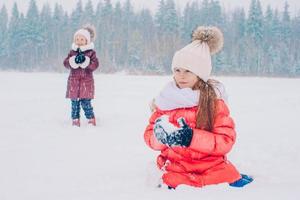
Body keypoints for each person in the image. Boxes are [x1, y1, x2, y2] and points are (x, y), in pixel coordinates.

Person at [144, 26, 253, 189]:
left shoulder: (214, 103)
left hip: (211, 166)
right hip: (176, 166)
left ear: (200, 74)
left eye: (188, 71)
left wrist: (191, 138)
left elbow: (225, 141)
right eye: (177, 70)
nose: (181, 75)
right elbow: (149, 136)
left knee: (227, 175)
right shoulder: (166, 101)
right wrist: (160, 138)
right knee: (170, 179)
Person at [63, 25, 99, 127]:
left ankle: (91, 118)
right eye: (77, 39)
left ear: (87, 41)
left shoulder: (91, 53)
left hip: (86, 83)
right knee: (74, 104)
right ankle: (75, 120)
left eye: (81, 39)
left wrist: (86, 62)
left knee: (85, 103)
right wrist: (72, 61)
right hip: (73, 83)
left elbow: (95, 64)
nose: (79, 41)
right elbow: (65, 63)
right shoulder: (72, 52)